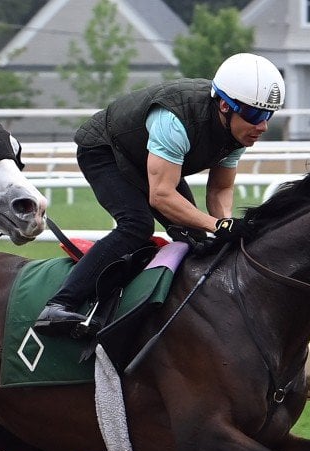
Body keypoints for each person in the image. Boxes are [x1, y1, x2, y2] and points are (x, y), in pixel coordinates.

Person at [34, 52, 286, 335]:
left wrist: (224, 228)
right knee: (136, 225)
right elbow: (162, 196)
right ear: (225, 107)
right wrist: (216, 224)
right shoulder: (175, 119)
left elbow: (220, 189)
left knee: (198, 240)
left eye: (268, 115)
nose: (262, 126)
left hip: (152, 159)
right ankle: (58, 305)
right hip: (105, 149)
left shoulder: (238, 132)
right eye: (255, 115)